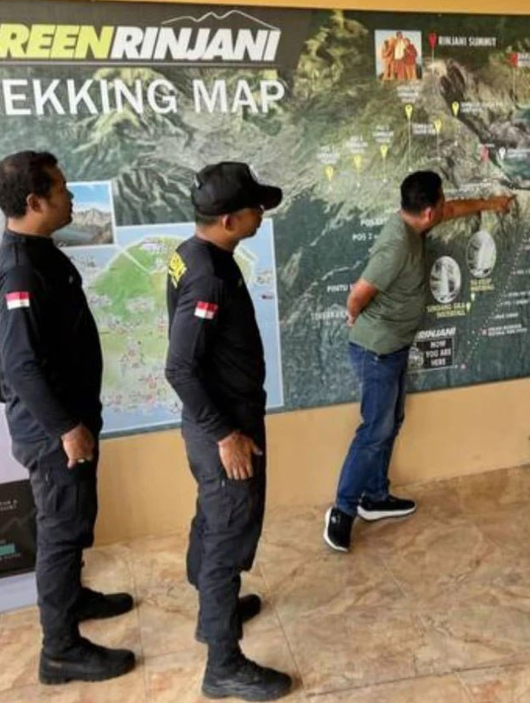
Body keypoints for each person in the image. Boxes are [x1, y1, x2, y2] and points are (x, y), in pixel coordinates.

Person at [324, 171, 513, 552]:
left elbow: (453, 210)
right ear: (428, 212)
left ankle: (375, 496)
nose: (445, 207)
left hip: (393, 349)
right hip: (376, 352)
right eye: (440, 203)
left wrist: (493, 204)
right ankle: (342, 511)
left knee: (390, 424)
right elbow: (358, 294)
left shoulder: (415, 223)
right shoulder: (396, 246)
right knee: (374, 431)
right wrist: (354, 316)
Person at [0, 151, 135, 684]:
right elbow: (19, 364)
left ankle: (73, 598)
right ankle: (59, 650)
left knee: (73, 520)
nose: (71, 196)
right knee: (60, 532)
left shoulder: (38, 253)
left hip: (67, 422)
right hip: (54, 432)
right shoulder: (21, 268)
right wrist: (65, 428)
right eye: (61, 188)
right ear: (35, 202)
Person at [165, 162, 292, 700]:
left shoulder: (193, 254)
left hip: (215, 421)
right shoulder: (208, 278)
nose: (261, 213)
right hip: (223, 427)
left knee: (214, 519)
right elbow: (180, 368)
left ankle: (212, 612)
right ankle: (223, 664)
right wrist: (226, 435)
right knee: (226, 536)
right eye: (254, 208)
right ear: (227, 220)